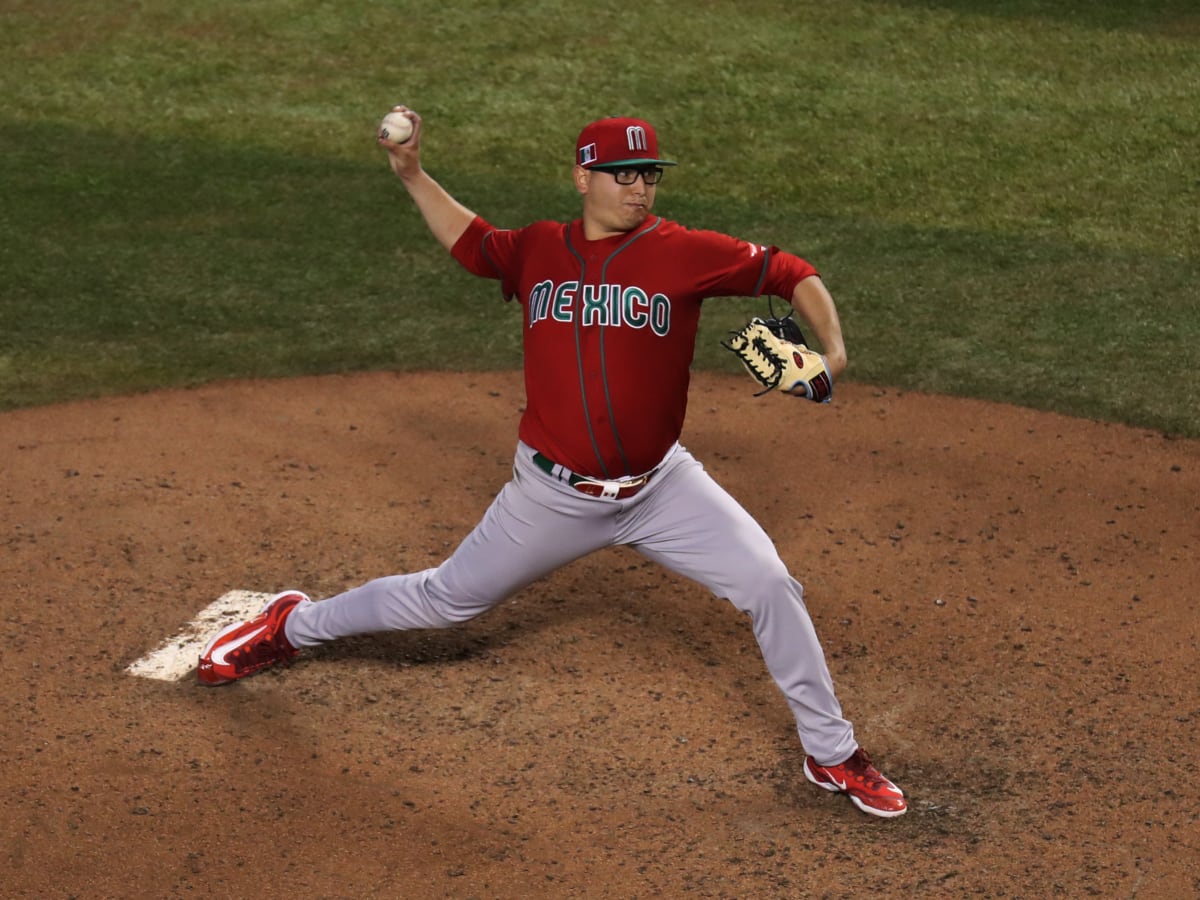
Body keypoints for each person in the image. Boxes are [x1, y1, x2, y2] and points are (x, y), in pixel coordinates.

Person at [197, 109, 907, 818]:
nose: (639, 189)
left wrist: (834, 352)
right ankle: (289, 625)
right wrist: (412, 174)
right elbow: (473, 242)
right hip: (552, 495)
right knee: (445, 601)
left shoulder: (684, 252)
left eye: (649, 175)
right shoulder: (538, 249)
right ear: (581, 176)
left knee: (770, 583)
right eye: (622, 174)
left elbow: (791, 272)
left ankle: (832, 752)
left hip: (663, 487)